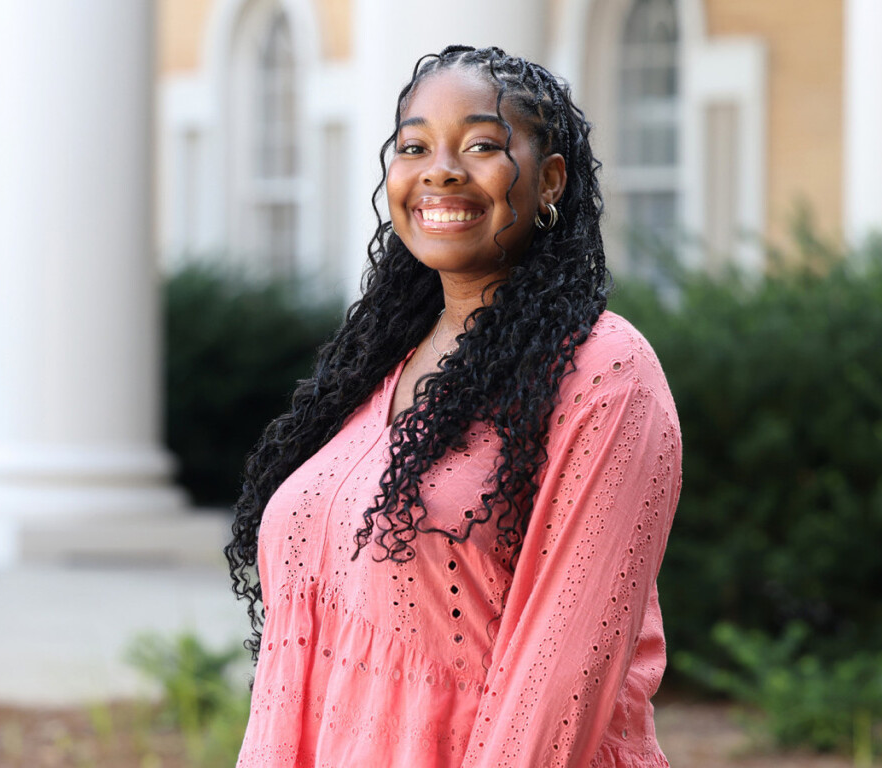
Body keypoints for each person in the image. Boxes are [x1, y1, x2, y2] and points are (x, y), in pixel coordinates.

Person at [227, 45, 682, 768]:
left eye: (481, 145)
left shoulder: (605, 374)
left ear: (550, 181)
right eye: (414, 146)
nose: (440, 169)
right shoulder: (379, 363)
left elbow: (559, 681)